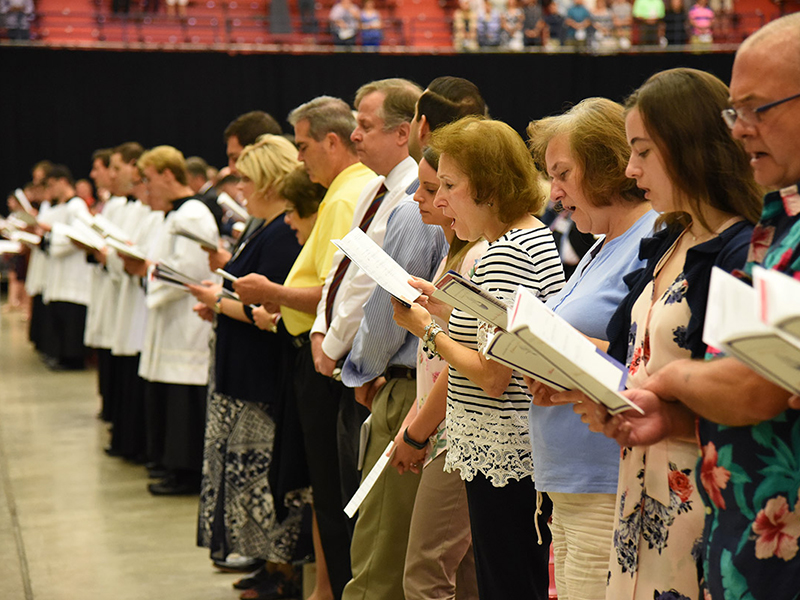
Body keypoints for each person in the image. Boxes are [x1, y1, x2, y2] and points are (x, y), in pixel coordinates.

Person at [575, 15, 800, 599]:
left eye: (758, 108)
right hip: (743, 533)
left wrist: (667, 378)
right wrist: (668, 416)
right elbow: (772, 386)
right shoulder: (775, 229)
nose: (742, 129)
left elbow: (758, 385)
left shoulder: (750, 236)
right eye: (734, 112)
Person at [392, 116, 564, 600]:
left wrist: (425, 329)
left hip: (503, 445)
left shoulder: (503, 252)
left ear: (489, 187)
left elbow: (492, 373)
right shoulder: (522, 239)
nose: (439, 199)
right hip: (510, 444)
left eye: (449, 185)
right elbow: (501, 331)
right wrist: (449, 303)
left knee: (505, 583)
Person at [233, 95, 375, 600]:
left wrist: (272, 295)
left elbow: (338, 291)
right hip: (322, 351)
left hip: (325, 360)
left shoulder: (342, 196)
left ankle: (335, 588)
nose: (300, 158)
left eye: (304, 146)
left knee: (335, 489)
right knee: (327, 487)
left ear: (331, 142)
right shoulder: (349, 189)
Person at [525, 97, 657, 600]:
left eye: (562, 174)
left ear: (605, 167)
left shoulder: (650, 235)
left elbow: (646, 349)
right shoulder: (602, 241)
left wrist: (562, 353)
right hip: (573, 481)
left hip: (606, 478)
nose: (553, 193)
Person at [190, 135, 307, 600]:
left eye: (247, 180)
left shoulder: (282, 230)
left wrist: (219, 301)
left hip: (262, 370)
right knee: (246, 473)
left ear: (271, 181)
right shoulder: (265, 224)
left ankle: (282, 570)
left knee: (262, 478)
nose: (240, 189)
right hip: (243, 366)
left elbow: (270, 307)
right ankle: (268, 564)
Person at [392, 75, 487, 600]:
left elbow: (479, 366)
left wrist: (417, 429)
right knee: (465, 573)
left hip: (460, 426)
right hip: (453, 422)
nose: (431, 201)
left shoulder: (485, 251)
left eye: (441, 188)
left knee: (427, 573)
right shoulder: (466, 248)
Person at [131, 145, 219, 496]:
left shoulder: (193, 214)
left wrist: (150, 278)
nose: (146, 187)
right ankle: (172, 465)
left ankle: (185, 472)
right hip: (170, 319)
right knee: (169, 396)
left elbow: (189, 272)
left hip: (187, 321)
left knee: (184, 399)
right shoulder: (173, 214)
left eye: (149, 179)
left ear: (169, 175)